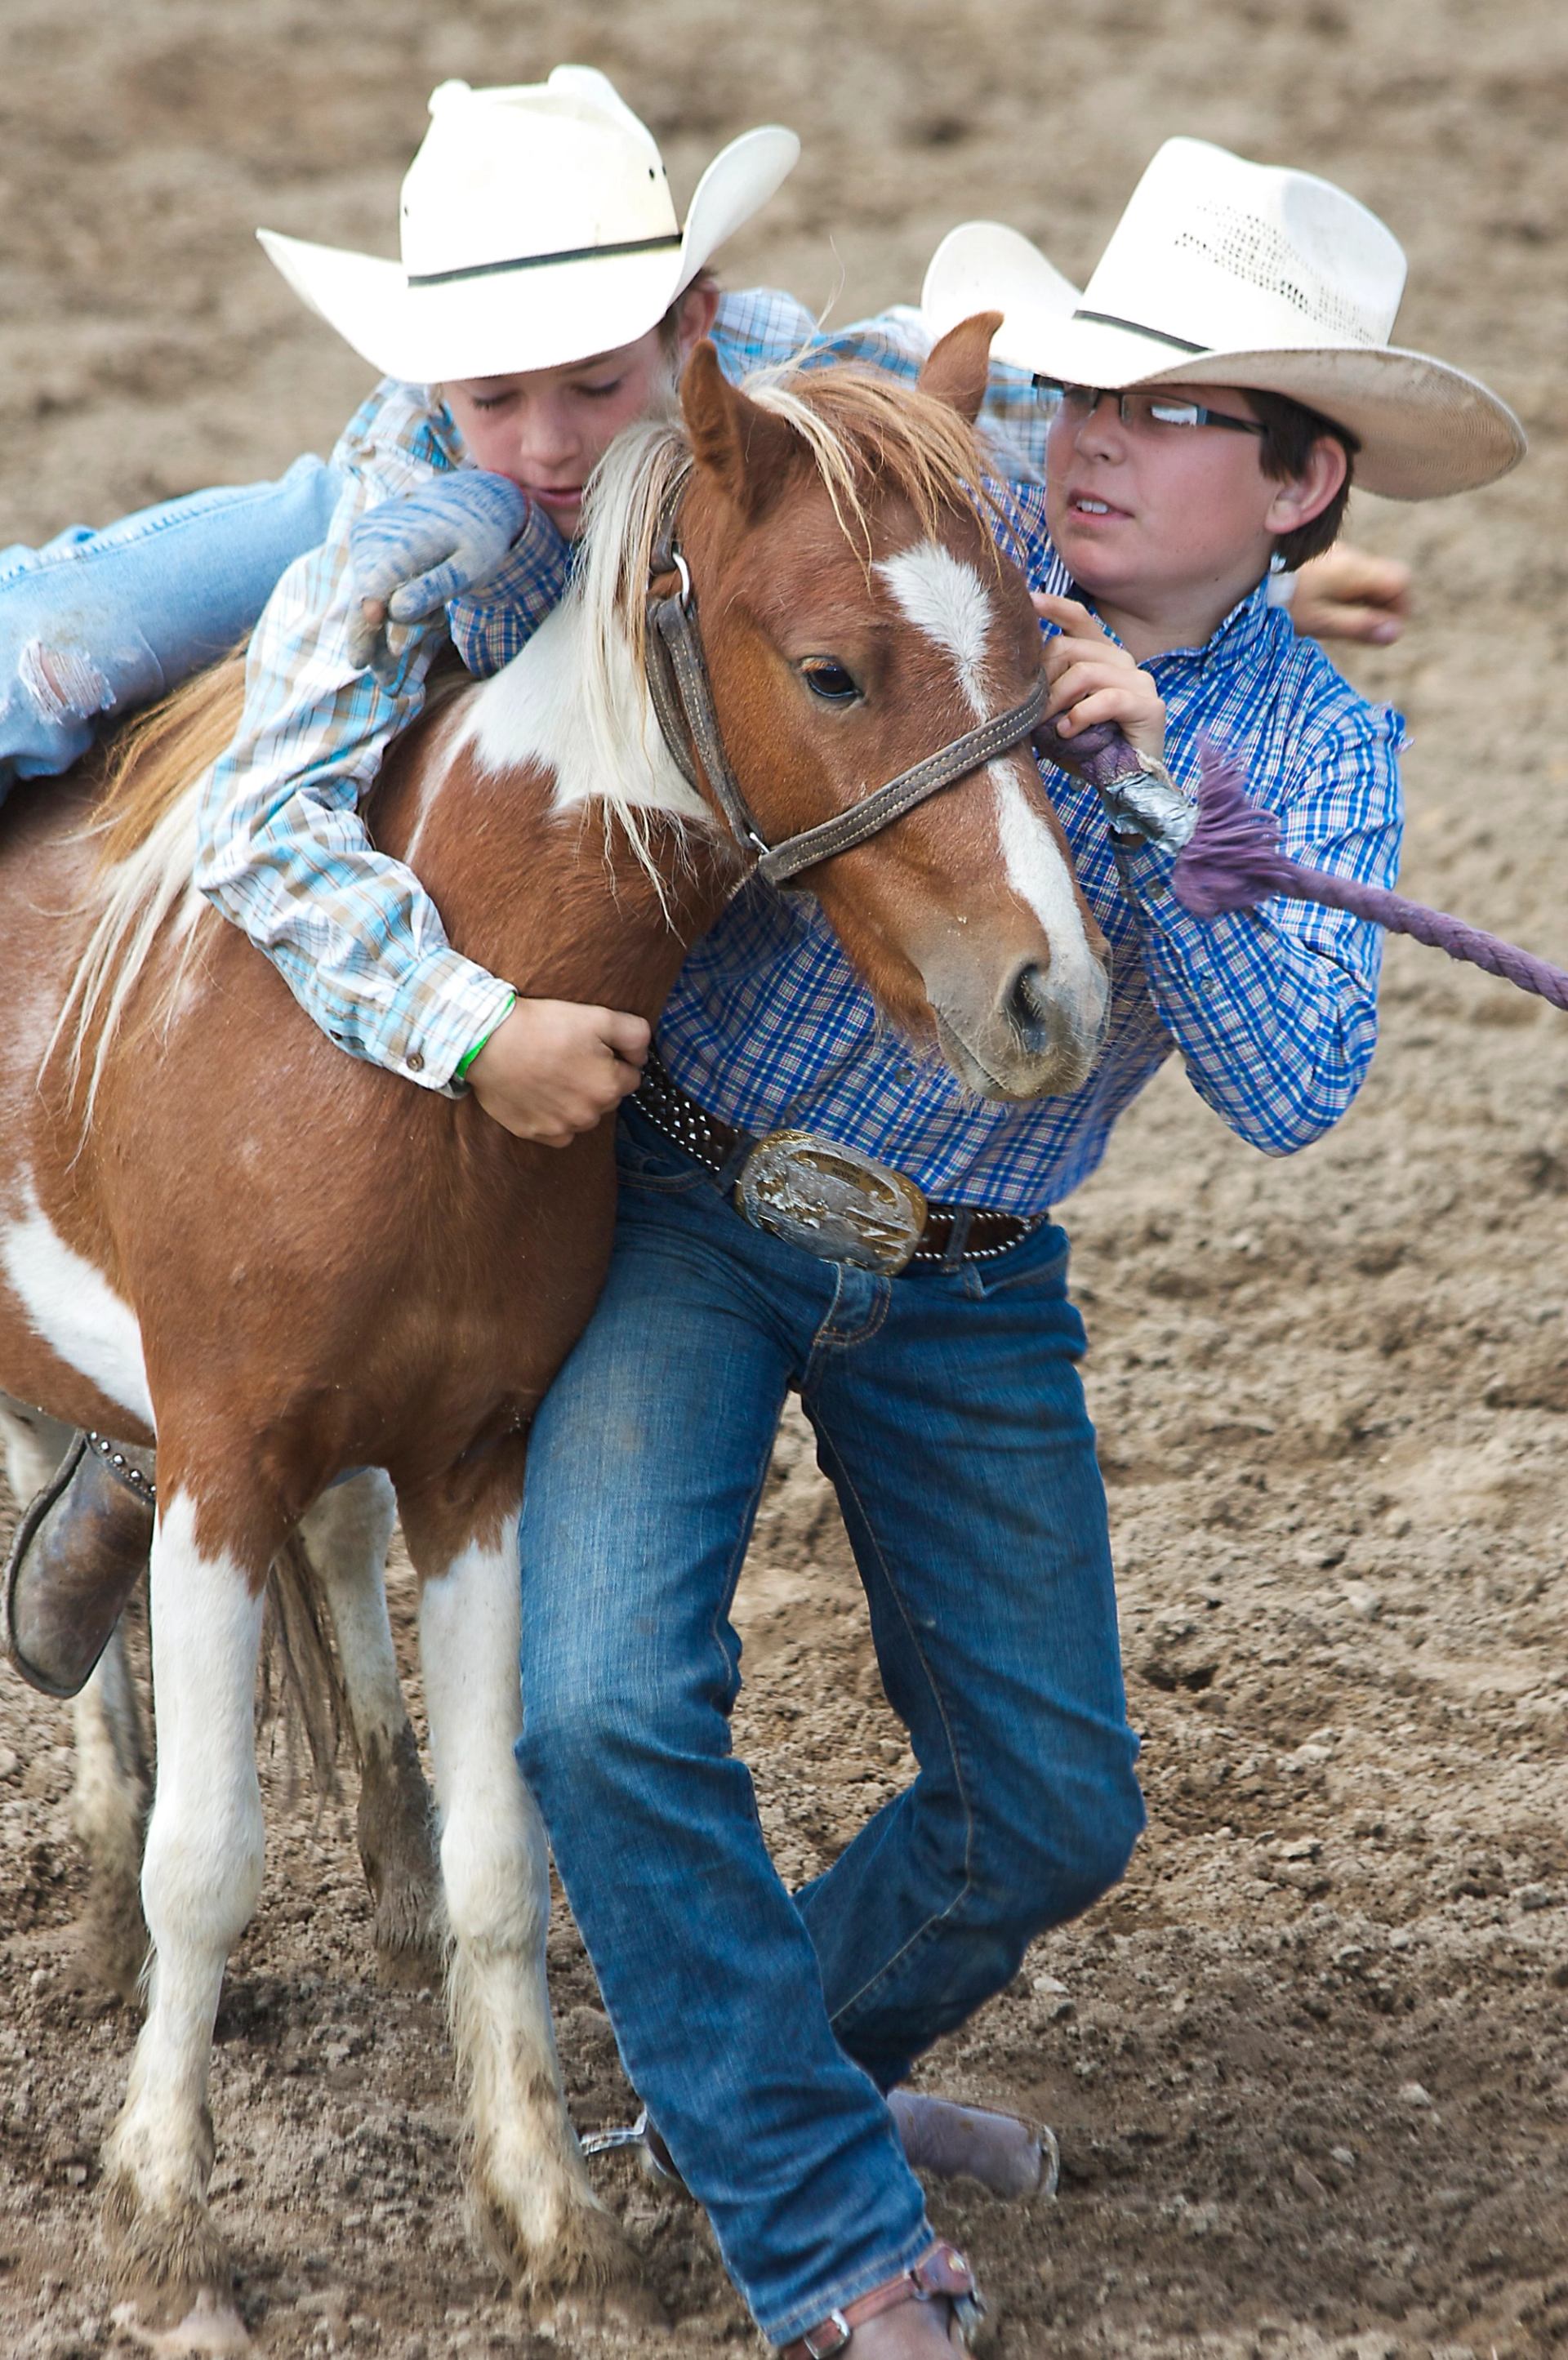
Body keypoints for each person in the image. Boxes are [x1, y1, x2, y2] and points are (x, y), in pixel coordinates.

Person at [3, 118, 1524, 2358]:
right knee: (64, 650)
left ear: (1302, 488)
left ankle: (765, 2072)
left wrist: (1182, 776)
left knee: (1050, 1800)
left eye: (1168, 411)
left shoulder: (1298, 737)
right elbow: (800, 418)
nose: (1089, 440)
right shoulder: (912, 495)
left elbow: (1299, 1090)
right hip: (691, 1200)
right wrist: (457, 1003)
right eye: (1086, 394)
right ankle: (815, 2218)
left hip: (968, 1271)